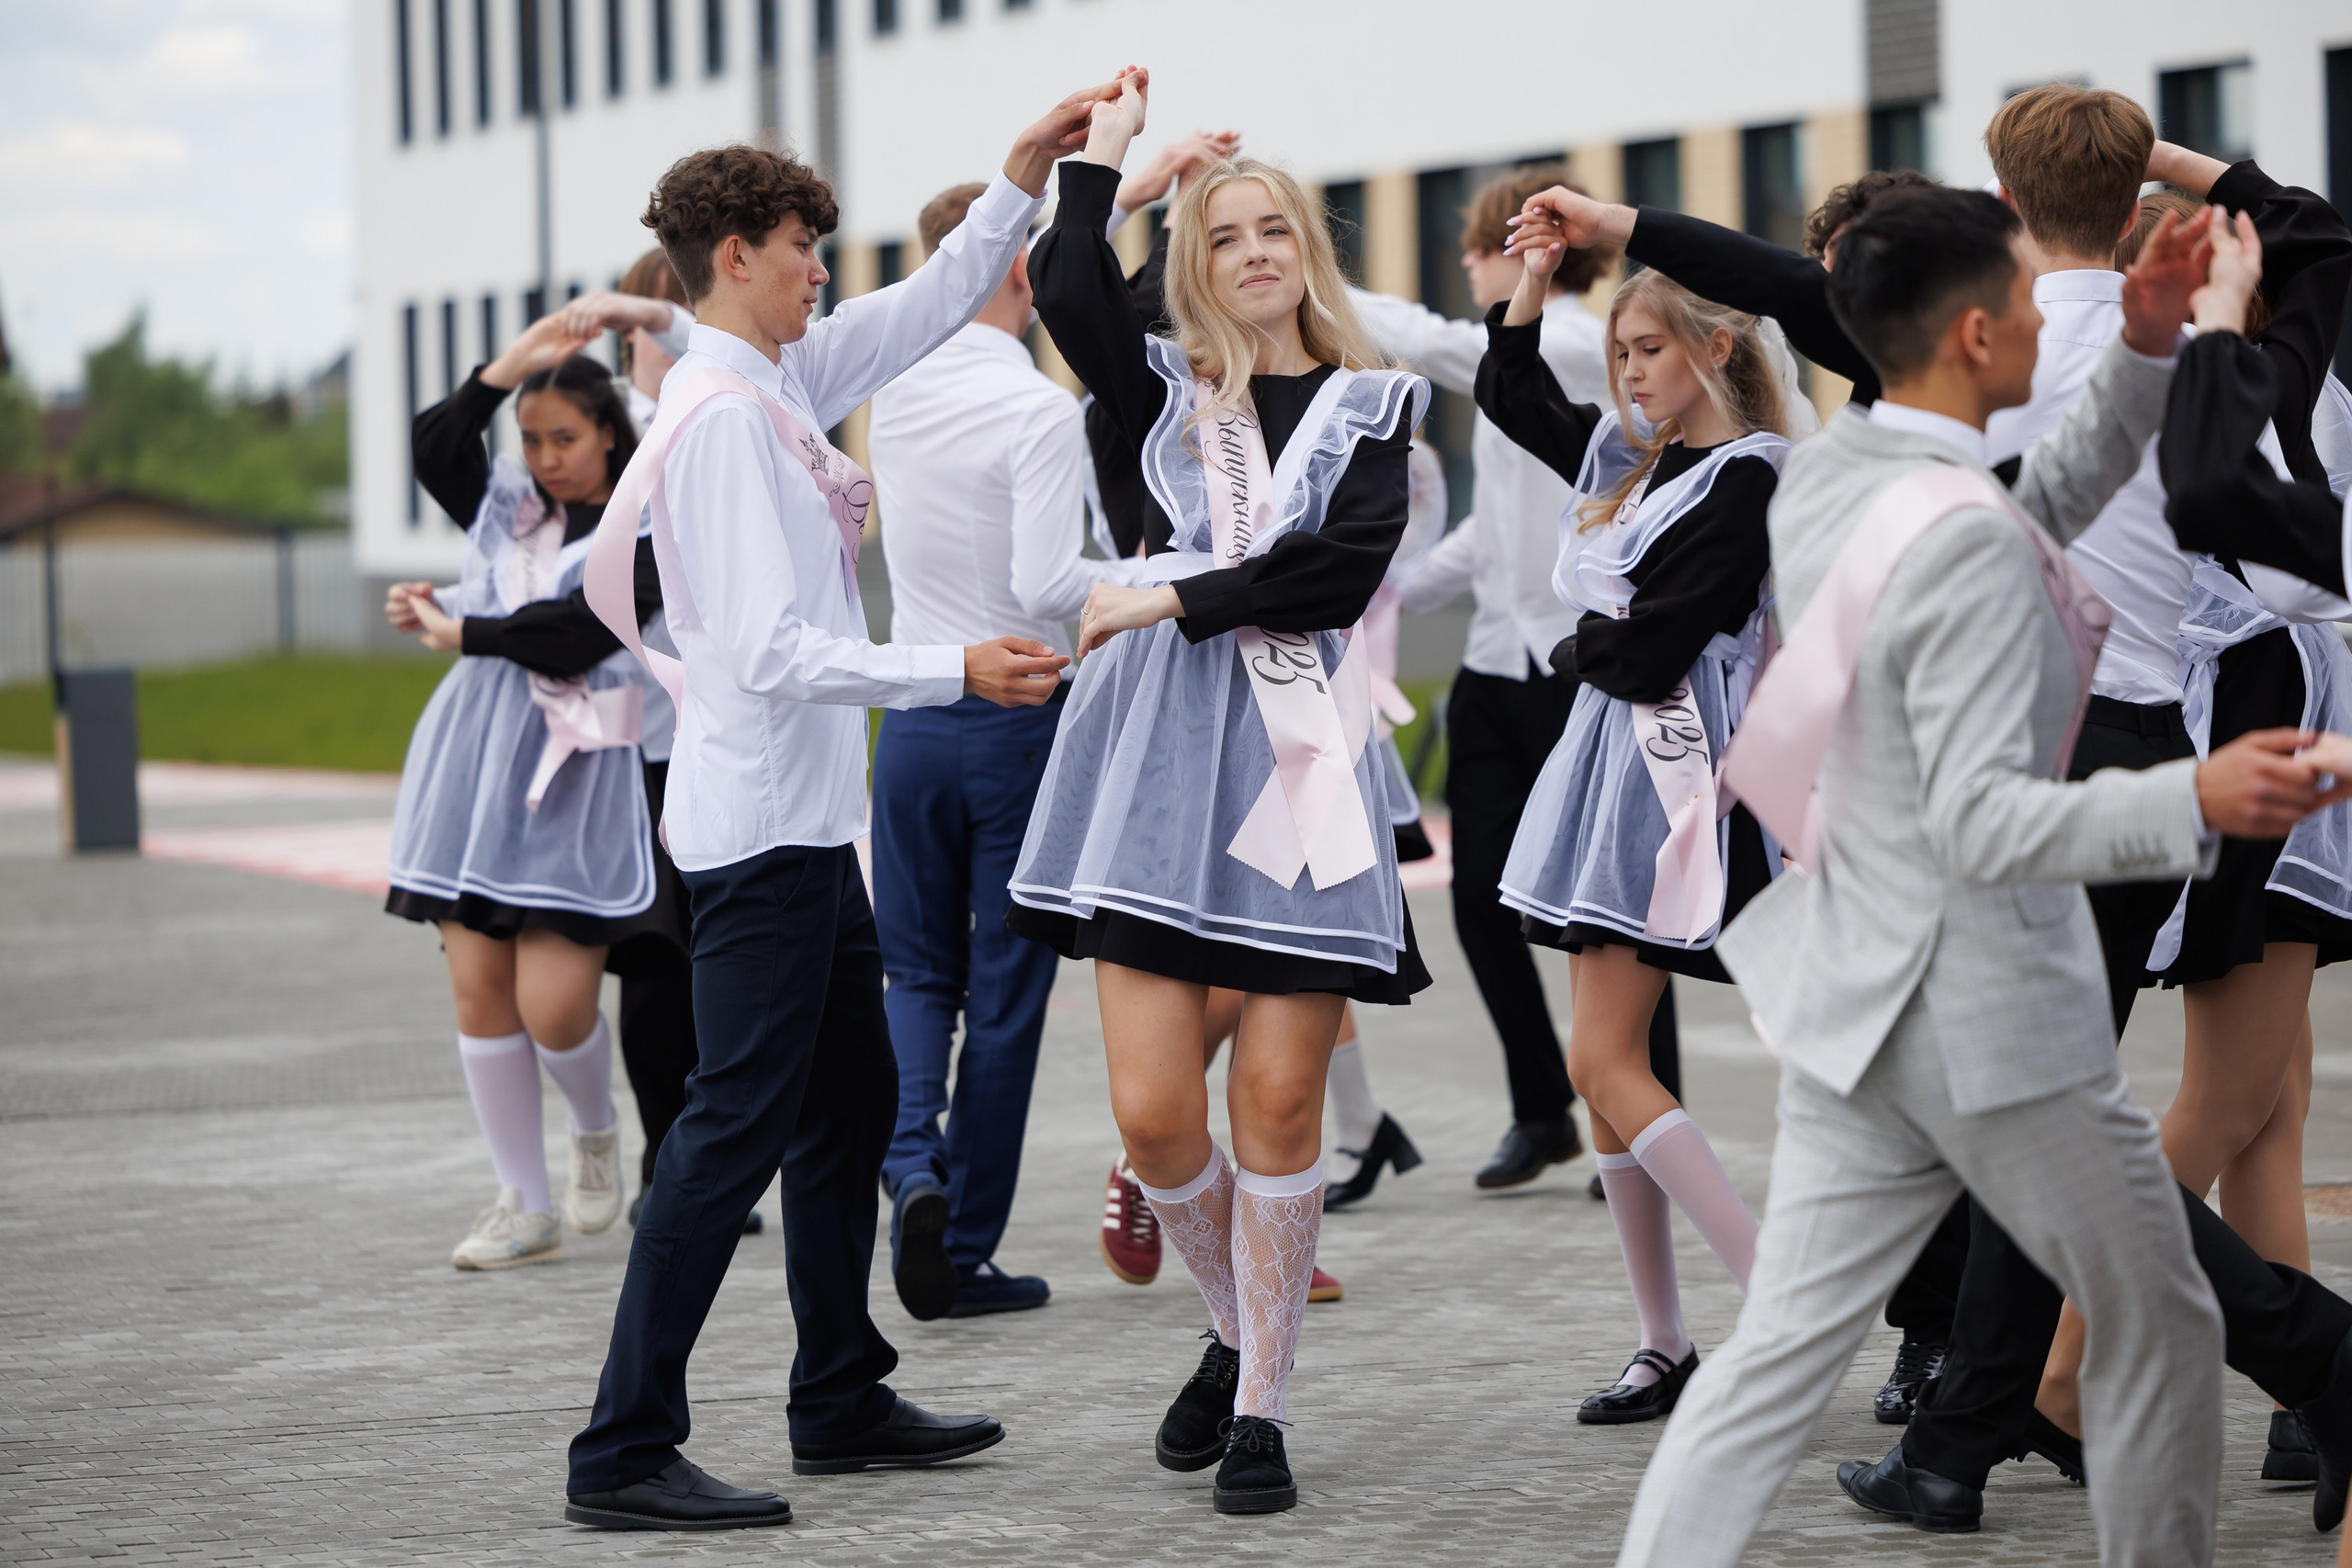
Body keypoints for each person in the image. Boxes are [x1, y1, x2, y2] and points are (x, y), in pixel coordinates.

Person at [1609, 181, 2346, 1568]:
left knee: (1771, 1368)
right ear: (1973, 335)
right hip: (1991, 1019)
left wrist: (2136, 352)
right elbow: (1987, 821)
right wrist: (2191, 791)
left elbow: (2030, 505)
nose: (2035, 315)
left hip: (1854, 993)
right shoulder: (1954, 538)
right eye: (2022, 299)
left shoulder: (1847, 468)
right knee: (2167, 1324)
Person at [561, 78, 1120, 1531]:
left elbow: (929, 303)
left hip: (809, 829)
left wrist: (1016, 178)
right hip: (757, 838)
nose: (828, 270)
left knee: (854, 1100)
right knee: (729, 1128)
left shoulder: (777, 379)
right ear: (736, 255)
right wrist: (956, 667)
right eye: (808, 246)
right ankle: (621, 1445)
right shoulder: (729, 417)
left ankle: (838, 1392)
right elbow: (765, 651)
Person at [1011, 70, 1429, 1516]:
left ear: (1305, 249)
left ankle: (1261, 1406)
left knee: (1278, 1089)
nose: (1253, 253)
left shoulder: (1378, 404)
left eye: (1272, 232)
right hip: (1158, 768)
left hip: (1298, 769)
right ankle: (1234, 1319)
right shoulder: (1166, 391)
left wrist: (1165, 594)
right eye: (1227, 236)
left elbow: (1331, 573)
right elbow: (1066, 281)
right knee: (1151, 1113)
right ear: (1198, 265)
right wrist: (1111, 158)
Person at [1476, 206, 1796, 1424]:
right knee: (1598, 1061)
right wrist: (1536, 279)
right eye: (1618, 355)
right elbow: (1510, 393)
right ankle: (1664, 1341)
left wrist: (1585, 642)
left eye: (1648, 350)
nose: (1629, 374)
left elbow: (1657, 637)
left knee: (1603, 1060)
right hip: (1610, 760)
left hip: (1678, 772)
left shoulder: (1753, 471)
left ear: (1713, 347)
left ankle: (1775, 1300)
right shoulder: (1634, 460)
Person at [1351, 165, 1689, 1192]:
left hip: (1580, 670)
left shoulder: (1583, 341)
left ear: (1530, 248)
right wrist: (1382, 583)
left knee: (1615, 910)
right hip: (1494, 667)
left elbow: (1439, 343)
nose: (1467, 269)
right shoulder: (1526, 355)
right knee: (1481, 905)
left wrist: (1308, 273)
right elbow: (1494, 535)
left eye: (1475, 250)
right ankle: (1541, 1109)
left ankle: (1634, 1119)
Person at [862, 179, 1158, 1323]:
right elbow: (1045, 584)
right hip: (1015, 719)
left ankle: (909, 1172)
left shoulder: (891, 388)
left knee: (914, 974)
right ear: (1024, 277)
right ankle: (967, 1248)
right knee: (1005, 991)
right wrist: (1162, 582)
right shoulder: (1038, 409)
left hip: (914, 718)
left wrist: (1138, 175)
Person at [388, 326, 659, 1270]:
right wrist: (506, 371)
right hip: (474, 762)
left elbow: (575, 636)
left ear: (610, 434)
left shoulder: (646, 520)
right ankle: (522, 1200)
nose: (545, 461)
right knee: (476, 983)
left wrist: (460, 631)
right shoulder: (507, 506)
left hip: (576, 771)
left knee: (555, 1005)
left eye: (564, 440)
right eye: (531, 440)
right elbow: (432, 445)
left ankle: (593, 1130)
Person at [548, 261, 765, 1239]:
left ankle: (698, 1160)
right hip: (625, 746)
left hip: (700, 739)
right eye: (648, 325)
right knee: (651, 965)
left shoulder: (716, 415)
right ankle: (659, 1156)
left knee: (698, 966)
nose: (661, 341)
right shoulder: (610, 443)